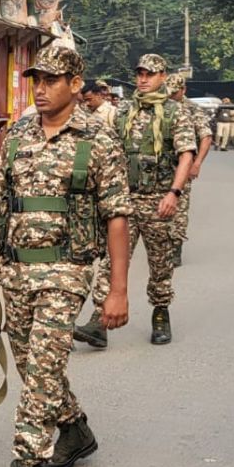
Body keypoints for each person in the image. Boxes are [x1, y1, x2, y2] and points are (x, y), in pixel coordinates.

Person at [0, 45, 132, 467]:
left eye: (52, 80)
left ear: (76, 84)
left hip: (67, 273)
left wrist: (117, 291)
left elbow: (117, 217)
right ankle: (75, 431)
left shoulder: (99, 141)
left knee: (41, 371)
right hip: (16, 272)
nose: (40, 89)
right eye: (35, 80)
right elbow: (1, 206)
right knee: (29, 363)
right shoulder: (18, 135)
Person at [75, 54, 196, 348]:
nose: (143, 79)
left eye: (150, 74)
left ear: (162, 76)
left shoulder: (174, 113)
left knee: (160, 264)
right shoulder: (125, 111)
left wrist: (174, 193)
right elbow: (108, 149)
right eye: (140, 73)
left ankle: (160, 313)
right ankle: (99, 322)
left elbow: (186, 155)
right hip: (125, 201)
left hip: (158, 201)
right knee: (111, 261)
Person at [165, 75, 212, 267]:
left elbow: (206, 136)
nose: (171, 96)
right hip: (160, 167)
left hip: (182, 166)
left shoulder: (192, 109)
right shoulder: (161, 106)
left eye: (174, 93)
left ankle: (175, 247)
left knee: (179, 208)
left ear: (183, 90)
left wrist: (197, 162)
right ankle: (161, 246)